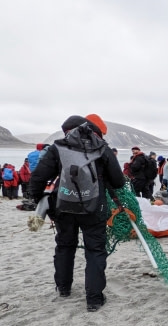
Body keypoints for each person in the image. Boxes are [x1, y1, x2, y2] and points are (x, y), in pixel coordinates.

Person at [29, 114, 125, 312]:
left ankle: (64, 288)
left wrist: (40, 200)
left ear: (67, 131)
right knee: (95, 251)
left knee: (64, 246)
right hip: (94, 209)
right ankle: (94, 299)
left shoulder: (58, 147)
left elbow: (38, 177)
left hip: (63, 206)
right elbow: (118, 181)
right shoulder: (102, 148)